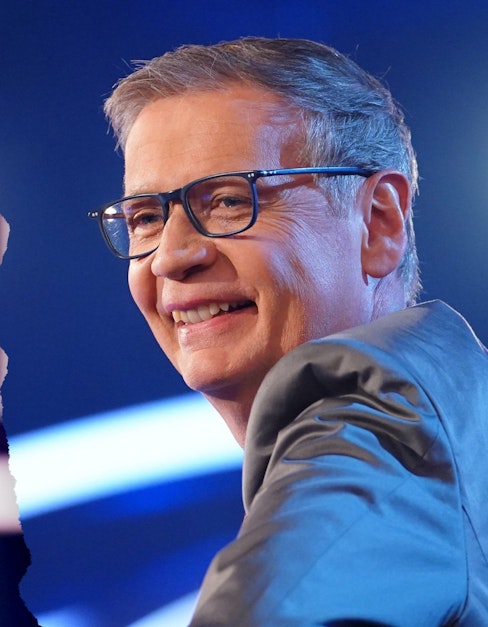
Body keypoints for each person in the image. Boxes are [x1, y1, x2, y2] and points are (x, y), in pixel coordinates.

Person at [92, 37, 488, 624]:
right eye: (146, 218)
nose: (170, 257)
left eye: (228, 201)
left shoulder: (385, 424)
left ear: (378, 223)